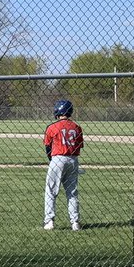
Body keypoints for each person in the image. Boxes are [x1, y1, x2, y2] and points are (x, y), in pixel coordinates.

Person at [43, 99, 84, 231]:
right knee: (72, 192)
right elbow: (79, 146)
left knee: (51, 191)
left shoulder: (52, 127)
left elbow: (48, 148)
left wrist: (52, 161)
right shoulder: (77, 127)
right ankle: (75, 223)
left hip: (57, 158)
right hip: (73, 159)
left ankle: (49, 221)